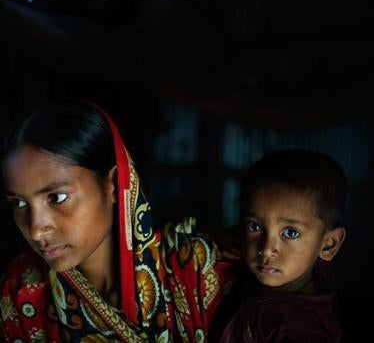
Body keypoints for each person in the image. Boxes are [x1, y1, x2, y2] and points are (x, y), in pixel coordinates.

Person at [0, 99, 230, 342]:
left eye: (57, 197)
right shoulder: (22, 292)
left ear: (113, 182)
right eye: (19, 203)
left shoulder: (198, 271)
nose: (36, 230)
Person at [211, 149, 346, 342]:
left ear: (328, 245)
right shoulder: (303, 268)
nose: (266, 248)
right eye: (255, 226)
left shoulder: (300, 332)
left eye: (290, 233)